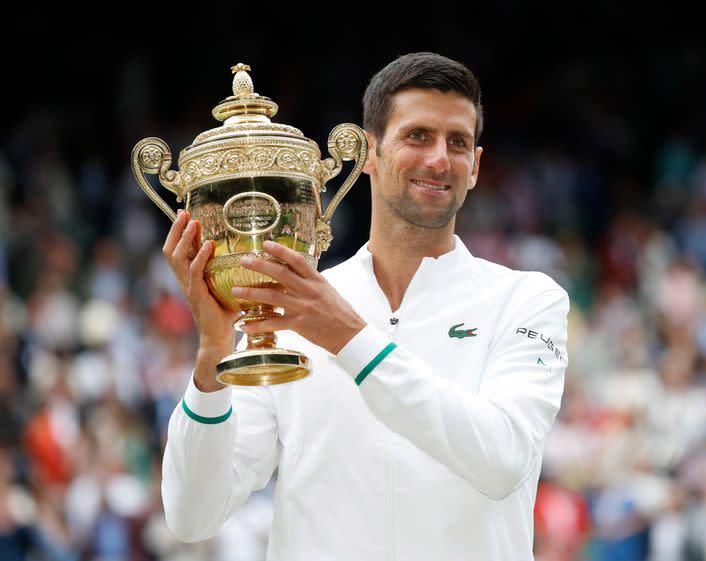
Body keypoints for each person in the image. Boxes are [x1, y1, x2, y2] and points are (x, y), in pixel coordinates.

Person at [161, 51, 570, 561]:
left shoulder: (527, 300)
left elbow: (502, 459)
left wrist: (350, 338)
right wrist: (213, 355)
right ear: (368, 153)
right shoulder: (288, 314)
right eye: (418, 135)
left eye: (457, 142)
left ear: (476, 168)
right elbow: (192, 514)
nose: (439, 159)